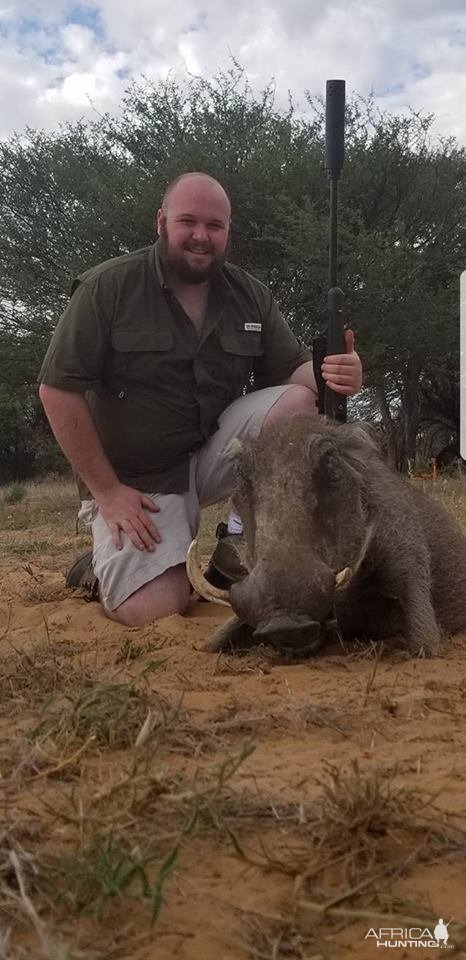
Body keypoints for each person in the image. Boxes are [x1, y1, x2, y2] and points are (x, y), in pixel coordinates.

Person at [38, 172, 363, 627]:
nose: (200, 236)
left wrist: (338, 370)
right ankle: (93, 569)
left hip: (212, 454)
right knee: (154, 608)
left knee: (299, 403)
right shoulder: (106, 288)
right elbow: (57, 390)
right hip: (138, 480)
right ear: (161, 221)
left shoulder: (250, 295)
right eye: (187, 221)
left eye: (215, 226)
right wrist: (108, 492)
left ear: (228, 232)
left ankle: (234, 542)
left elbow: (295, 374)